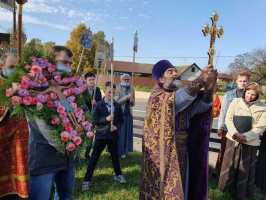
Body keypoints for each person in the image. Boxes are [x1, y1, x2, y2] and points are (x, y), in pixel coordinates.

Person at [139, 60, 217, 200]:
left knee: (183, 185)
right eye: (170, 72)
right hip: (164, 154)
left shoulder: (179, 94)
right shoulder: (157, 96)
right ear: (161, 79)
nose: (175, 74)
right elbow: (177, 101)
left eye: (176, 71)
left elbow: (200, 109)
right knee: (166, 190)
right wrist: (200, 80)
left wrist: (209, 87)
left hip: (182, 149)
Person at [28, 46, 76, 200]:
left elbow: (74, 117)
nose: (68, 67)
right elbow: (43, 126)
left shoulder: (70, 88)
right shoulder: (36, 88)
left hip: (67, 160)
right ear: (50, 64)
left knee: (65, 196)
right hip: (44, 160)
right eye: (64, 62)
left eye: (70, 63)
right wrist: (69, 145)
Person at [218, 82, 266, 200]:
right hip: (232, 139)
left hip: (250, 142)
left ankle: (241, 194)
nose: (250, 96)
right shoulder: (235, 102)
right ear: (245, 92)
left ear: (257, 95)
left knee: (244, 168)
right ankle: (224, 191)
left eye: (253, 94)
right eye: (248, 93)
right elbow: (228, 119)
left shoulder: (263, 107)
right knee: (229, 166)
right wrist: (235, 133)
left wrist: (246, 137)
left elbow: (261, 126)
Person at [82, 81, 126, 191]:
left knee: (115, 157)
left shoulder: (117, 105)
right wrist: (105, 119)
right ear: (104, 91)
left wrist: (116, 126)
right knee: (94, 158)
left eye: (113, 92)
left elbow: (121, 120)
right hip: (101, 135)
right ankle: (87, 180)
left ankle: (118, 175)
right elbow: (94, 120)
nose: (111, 94)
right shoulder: (98, 105)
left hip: (113, 136)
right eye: (109, 92)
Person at [0, 52, 29, 199]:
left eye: (17, 67)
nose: (15, 70)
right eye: (11, 67)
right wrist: (12, 95)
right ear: (2, 66)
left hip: (20, 142)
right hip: (3, 142)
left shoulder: (24, 84)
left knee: (18, 185)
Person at [216, 71, 250, 173]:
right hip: (228, 128)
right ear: (236, 81)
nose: (243, 83)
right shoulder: (229, 94)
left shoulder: (249, 95)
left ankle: (233, 174)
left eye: (245, 81)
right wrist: (220, 127)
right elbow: (223, 111)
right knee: (224, 151)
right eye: (240, 81)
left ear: (248, 82)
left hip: (243, 129)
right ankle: (219, 172)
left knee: (237, 154)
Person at [115, 73, 135, 158]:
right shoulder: (117, 88)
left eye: (128, 80)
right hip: (120, 114)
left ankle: (125, 151)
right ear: (121, 79)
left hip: (128, 114)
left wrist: (131, 101)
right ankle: (118, 151)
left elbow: (133, 103)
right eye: (125, 79)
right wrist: (126, 98)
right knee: (120, 134)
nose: (127, 81)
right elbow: (116, 102)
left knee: (127, 134)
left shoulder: (132, 88)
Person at [83, 72, 102, 159]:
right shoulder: (82, 90)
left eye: (93, 79)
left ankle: (87, 154)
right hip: (83, 117)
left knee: (90, 136)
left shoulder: (97, 90)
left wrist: (96, 103)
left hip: (93, 116)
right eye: (89, 80)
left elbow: (101, 103)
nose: (92, 81)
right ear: (85, 80)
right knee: (81, 135)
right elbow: (79, 102)